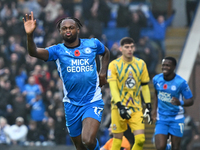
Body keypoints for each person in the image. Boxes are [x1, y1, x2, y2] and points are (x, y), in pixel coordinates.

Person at [23, 11, 110, 150]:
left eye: (71, 27)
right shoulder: (57, 50)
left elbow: (105, 52)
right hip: (71, 104)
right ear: (60, 31)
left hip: (92, 100)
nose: (68, 30)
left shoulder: (92, 44)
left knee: (88, 140)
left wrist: (103, 72)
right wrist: (29, 35)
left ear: (78, 29)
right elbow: (33, 52)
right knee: (80, 146)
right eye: (64, 28)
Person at [107, 37, 152, 150]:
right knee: (117, 141)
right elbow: (113, 87)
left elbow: (145, 86)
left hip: (136, 107)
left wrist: (148, 104)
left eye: (132, 47)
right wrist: (119, 105)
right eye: (126, 47)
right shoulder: (113, 65)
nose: (129, 49)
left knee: (140, 139)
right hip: (118, 107)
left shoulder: (141, 64)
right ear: (121, 49)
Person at [152, 56, 194, 150]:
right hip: (162, 117)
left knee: (175, 147)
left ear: (174, 67)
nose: (165, 67)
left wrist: (180, 102)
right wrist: (154, 110)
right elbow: (156, 93)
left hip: (176, 118)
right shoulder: (156, 79)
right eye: (163, 65)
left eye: (168, 65)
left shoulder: (181, 82)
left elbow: (191, 100)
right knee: (160, 147)